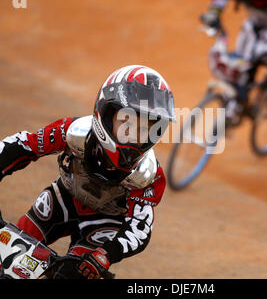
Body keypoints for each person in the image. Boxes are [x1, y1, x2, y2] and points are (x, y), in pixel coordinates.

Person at [0, 65, 175, 279]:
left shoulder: (148, 174)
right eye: (127, 122)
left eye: (145, 128)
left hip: (104, 225)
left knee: (73, 275)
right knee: (7, 253)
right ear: (106, 113)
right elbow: (23, 145)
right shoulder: (73, 132)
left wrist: (105, 255)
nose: (134, 136)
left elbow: (139, 229)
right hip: (62, 201)